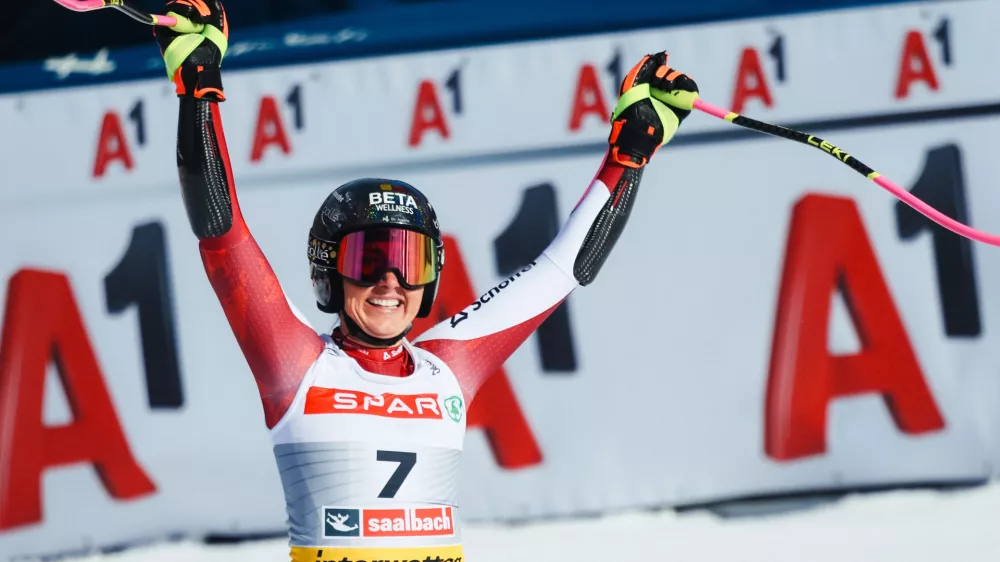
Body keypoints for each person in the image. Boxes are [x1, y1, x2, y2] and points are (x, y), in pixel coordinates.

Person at [154, 1, 699, 560]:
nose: (390, 281)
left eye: (410, 262)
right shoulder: (296, 364)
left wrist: (631, 153)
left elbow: (566, 267)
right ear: (329, 272)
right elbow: (221, 232)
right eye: (368, 259)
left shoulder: (448, 370)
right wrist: (198, 88)